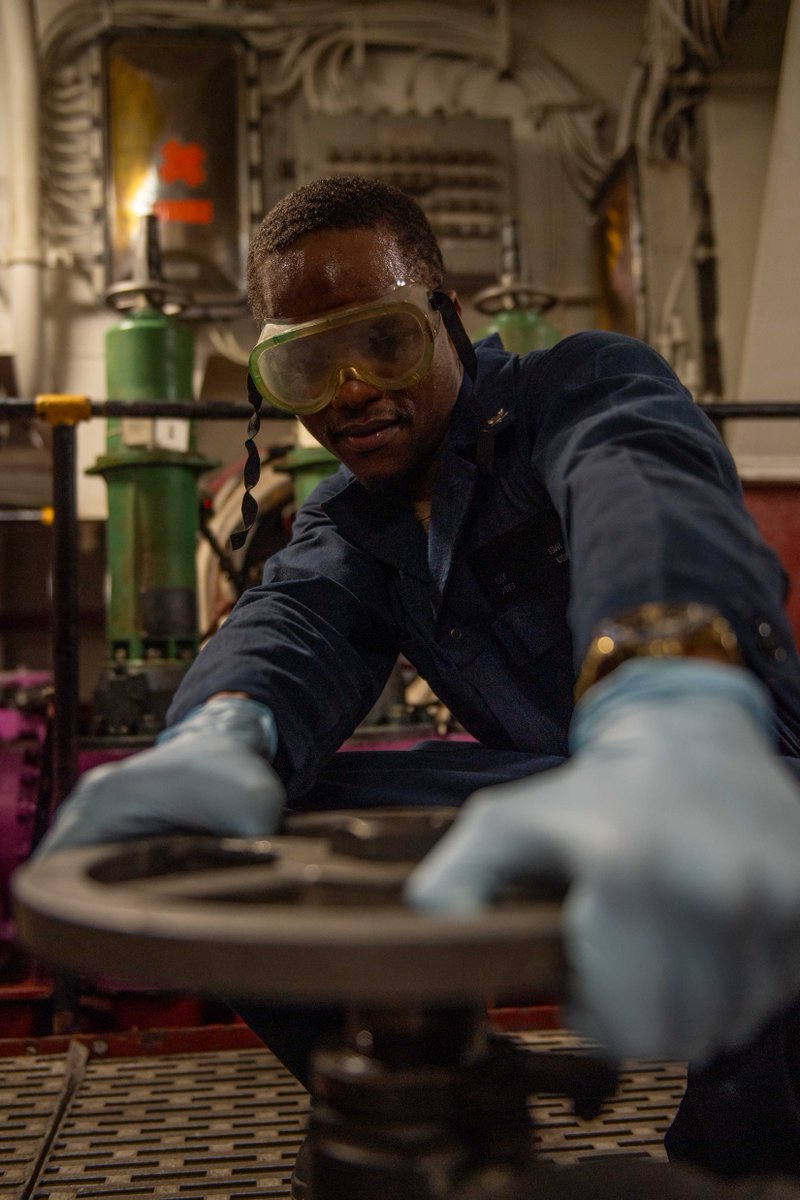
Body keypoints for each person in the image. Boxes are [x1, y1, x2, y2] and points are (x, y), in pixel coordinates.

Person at [38, 175, 800, 1181]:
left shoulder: (575, 389)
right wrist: (223, 729)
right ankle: (426, 1094)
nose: (350, 391)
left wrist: (666, 696)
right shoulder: (359, 516)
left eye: (382, 341)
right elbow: (293, 616)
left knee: (753, 1134)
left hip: (740, 781)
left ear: (444, 315)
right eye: (310, 365)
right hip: (555, 785)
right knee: (226, 836)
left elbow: (640, 488)